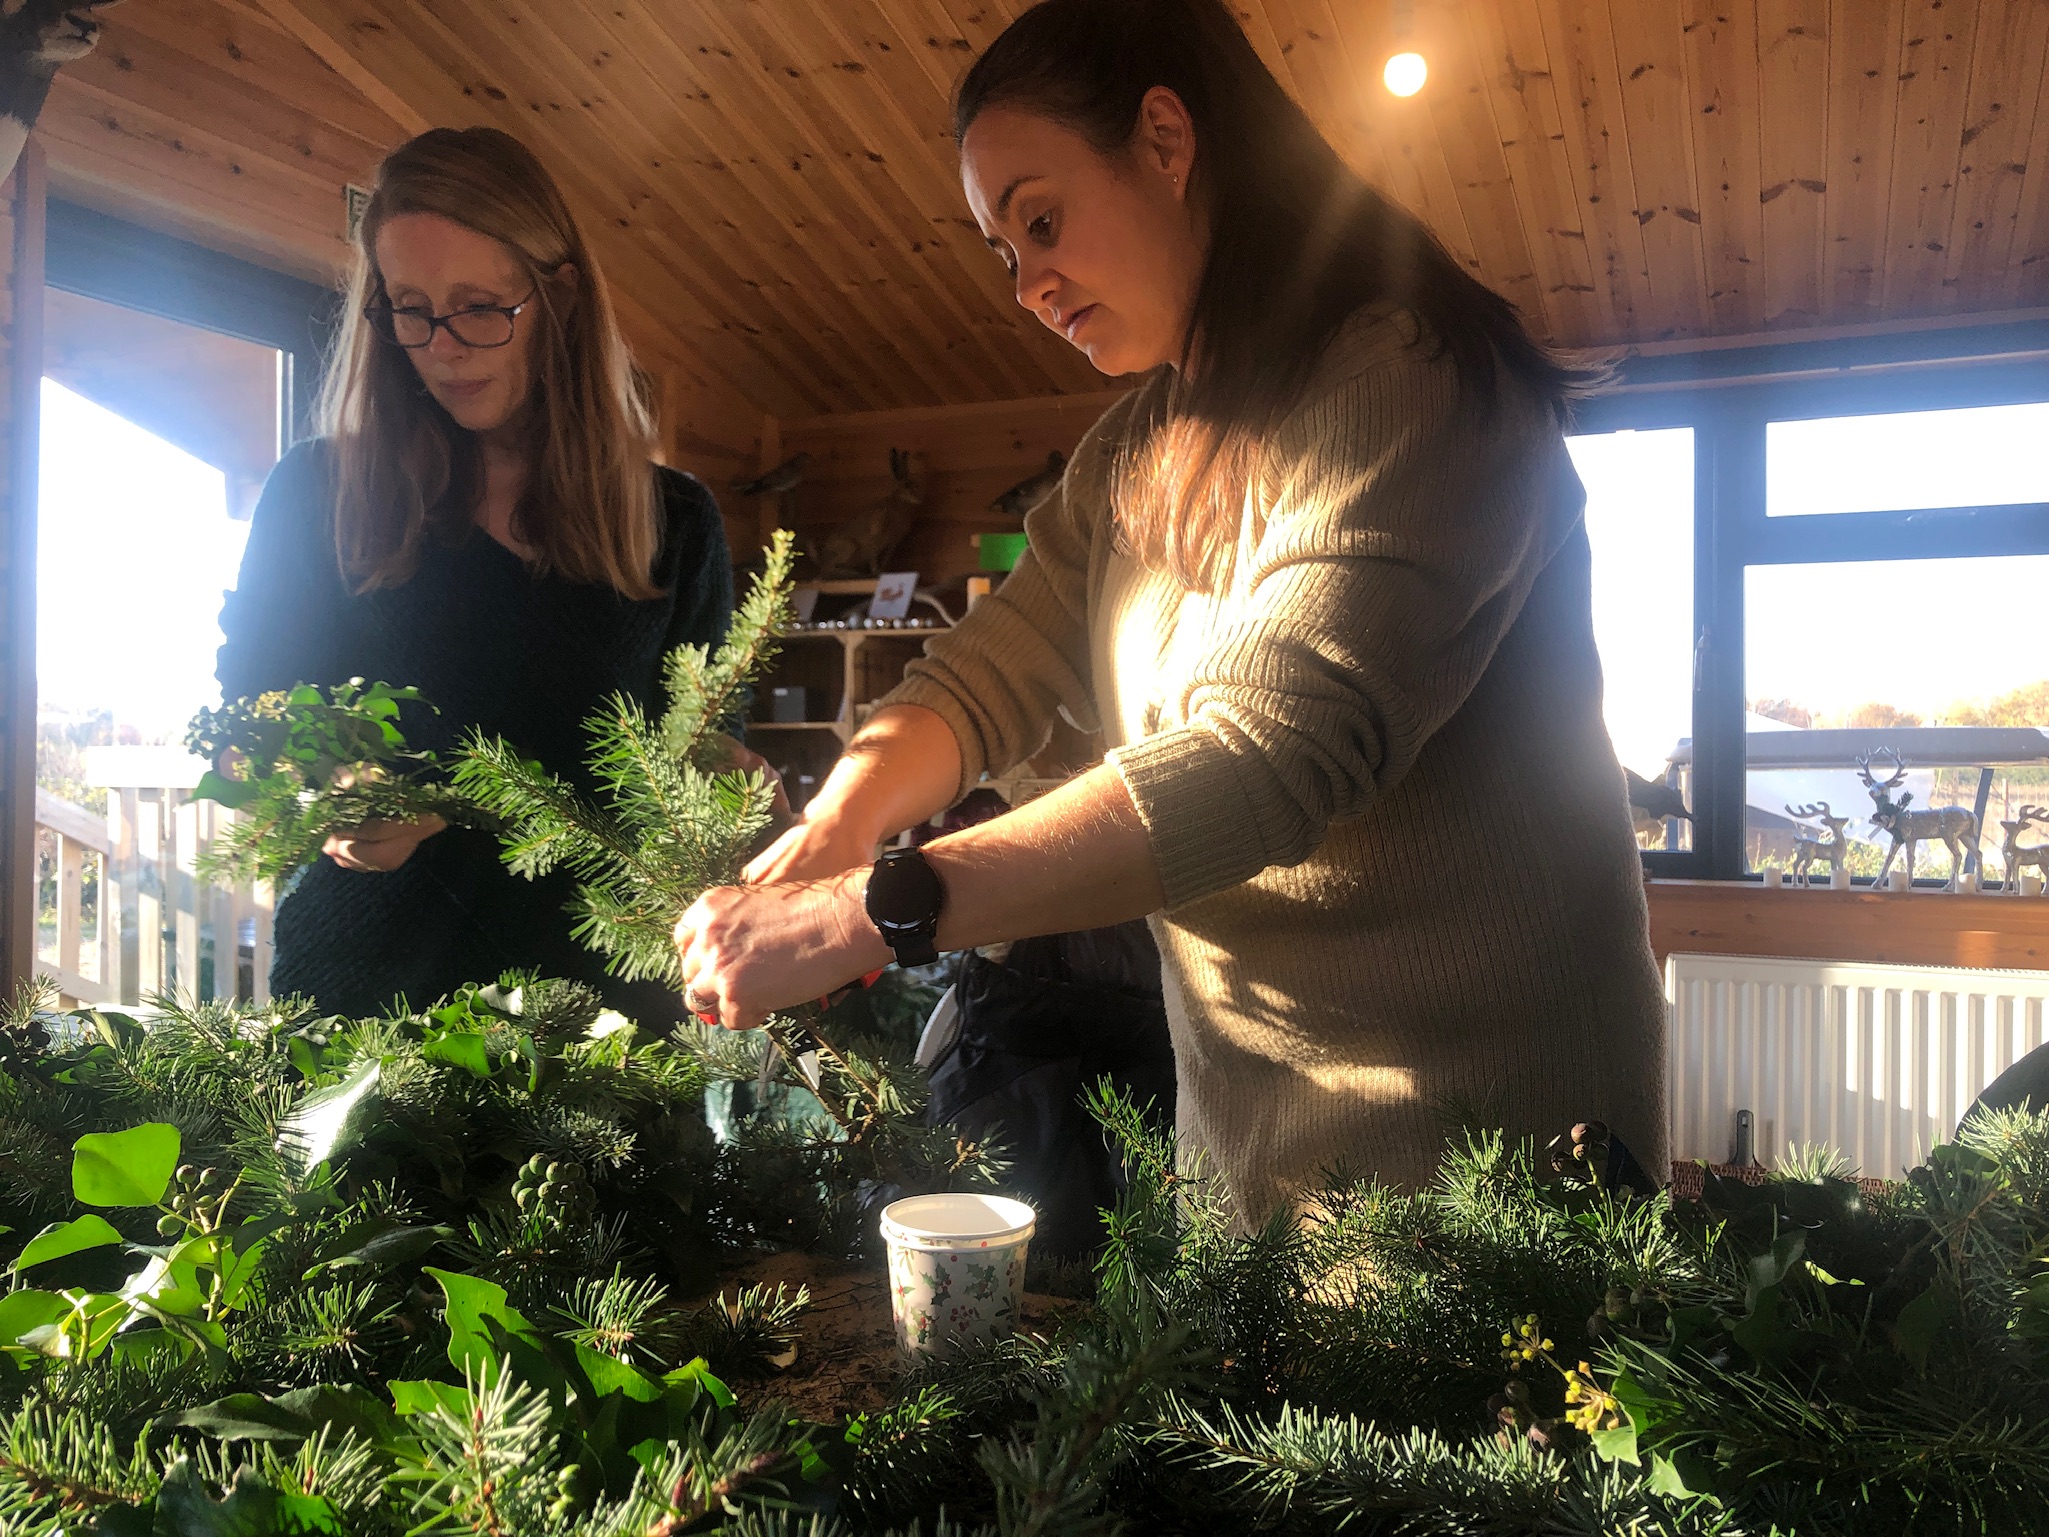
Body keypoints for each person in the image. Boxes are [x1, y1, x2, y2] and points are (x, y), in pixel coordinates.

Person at [674, 0, 1667, 1221]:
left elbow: (1261, 760)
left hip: (1491, 1158)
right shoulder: (1135, 451)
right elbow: (992, 667)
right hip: (1250, 1155)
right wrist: (831, 829)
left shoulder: (1417, 383)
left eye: (1040, 221)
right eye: (1003, 250)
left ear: (1165, 138)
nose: (1027, 284)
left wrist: (872, 910)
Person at [219, 126, 735, 1023]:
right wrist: (331, 787)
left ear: (561, 296)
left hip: (610, 1027)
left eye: (478, 307)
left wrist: (738, 800)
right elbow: (241, 732)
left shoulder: (674, 524)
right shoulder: (318, 495)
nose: (441, 346)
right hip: (367, 1012)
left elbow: (697, 769)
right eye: (409, 307)